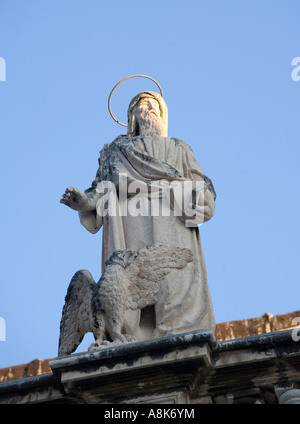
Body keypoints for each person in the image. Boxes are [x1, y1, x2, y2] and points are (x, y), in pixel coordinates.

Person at [60, 91, 216, 340]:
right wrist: (85, 202)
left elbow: (203, 190)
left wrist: (180, 191)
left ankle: (178, 335)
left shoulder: (179, 148)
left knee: (173, 279)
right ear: (132, 117)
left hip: (172, 219)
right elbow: (102, 189)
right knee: (129, 283)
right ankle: (132, 335)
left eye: (156, 105)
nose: (151, 108)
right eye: (144, 104)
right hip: (132, 222)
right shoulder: (116, 151)